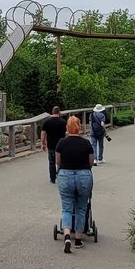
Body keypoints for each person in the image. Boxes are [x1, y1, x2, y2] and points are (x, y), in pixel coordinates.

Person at [55, 115, 94, 252]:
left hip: (65, 175)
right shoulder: (86, 143)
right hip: (83, 175)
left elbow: (58, 162)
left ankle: (66, 235)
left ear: (67, 128)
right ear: (79, 128)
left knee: (66, 208)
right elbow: (90, 163)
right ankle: (78, 239)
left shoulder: (61, 143)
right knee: (81, 208)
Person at [40, 106, 67, 183]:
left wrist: (43, 143)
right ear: (59, 112)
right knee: (61, 162)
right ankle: (60, 176)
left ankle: (52, 178)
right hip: (61, 145)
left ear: (52, 112)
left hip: (51, 145)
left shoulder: (47, 122)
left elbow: (43, 133)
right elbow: (66, 133)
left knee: (51, 162)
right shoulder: (63, 122)